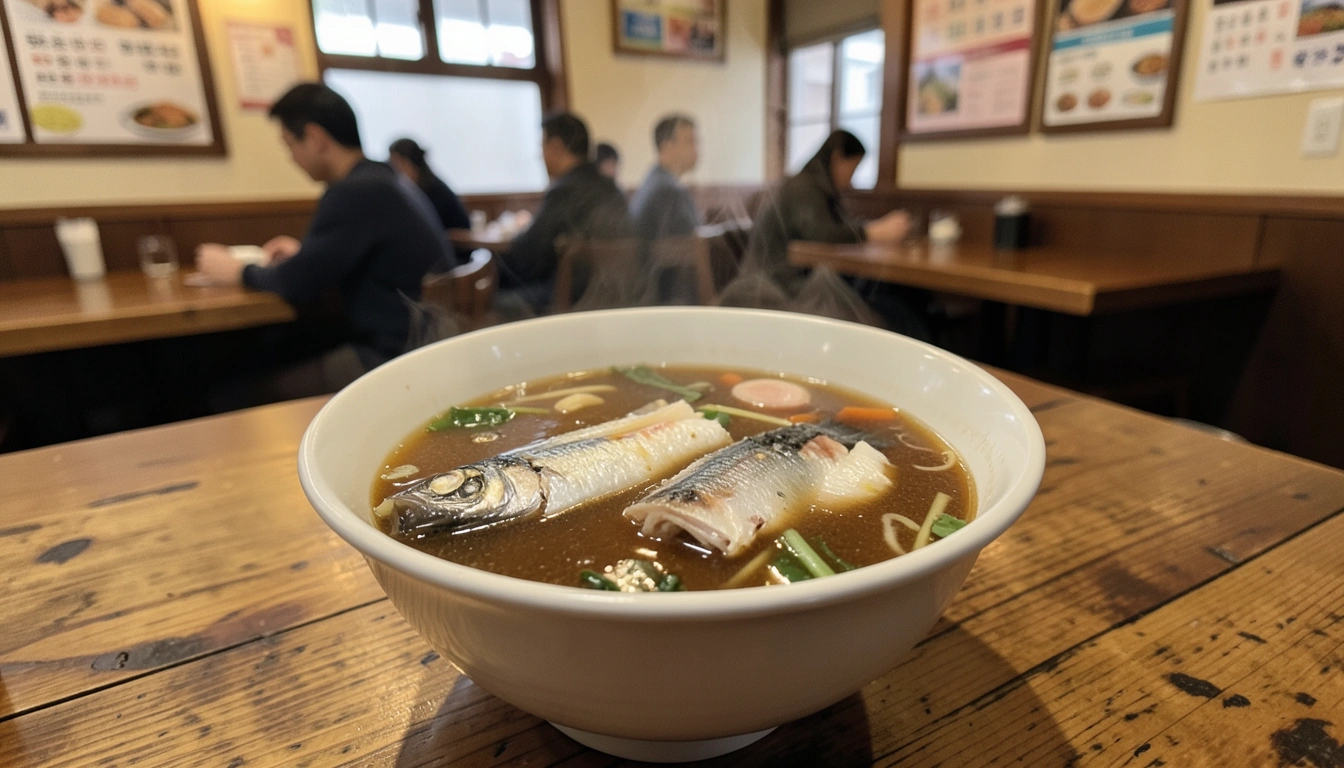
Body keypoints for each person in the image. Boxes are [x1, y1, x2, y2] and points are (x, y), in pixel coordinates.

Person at [195, 83, 453, 384]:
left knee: (243, 387)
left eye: (290, 145)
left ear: (315, 138)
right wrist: (304, 255)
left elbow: (298, 283)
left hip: (394, 359)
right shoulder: (383, 178)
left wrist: (237, 270)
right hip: (425, 343)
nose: (290, 157)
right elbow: (328, 263)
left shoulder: (355, 191)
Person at [497, 112, 632, 314]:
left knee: (496, 295)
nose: (539, 155)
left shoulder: (565, 189)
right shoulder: (611, 188)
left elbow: (529, 256)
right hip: (618, 296)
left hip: (572, 299)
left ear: (556, 146)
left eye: (542, 146)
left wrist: (509, 242)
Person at [743, 130, 908, 294]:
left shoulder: (819, 187)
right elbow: (822, 235)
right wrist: (875, 231)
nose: (852, 178)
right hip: (774, 282)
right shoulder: (803, 186)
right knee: (873, 295)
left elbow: (840, 224)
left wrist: (871, 229)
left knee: (879, 291)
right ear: (837, 157)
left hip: (795, 275)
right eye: (854, 167)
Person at [628, 114, 701, 242]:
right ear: (667, 147)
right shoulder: (668, 190)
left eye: (697, 142)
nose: (696, 149)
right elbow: (693, 245)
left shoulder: (656, 179)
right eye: (689, 142)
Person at [388, 137, 471, 231]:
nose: (396, 170)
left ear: (412, 162)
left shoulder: (435, 189)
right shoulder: (414, 188)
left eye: (398, 164)